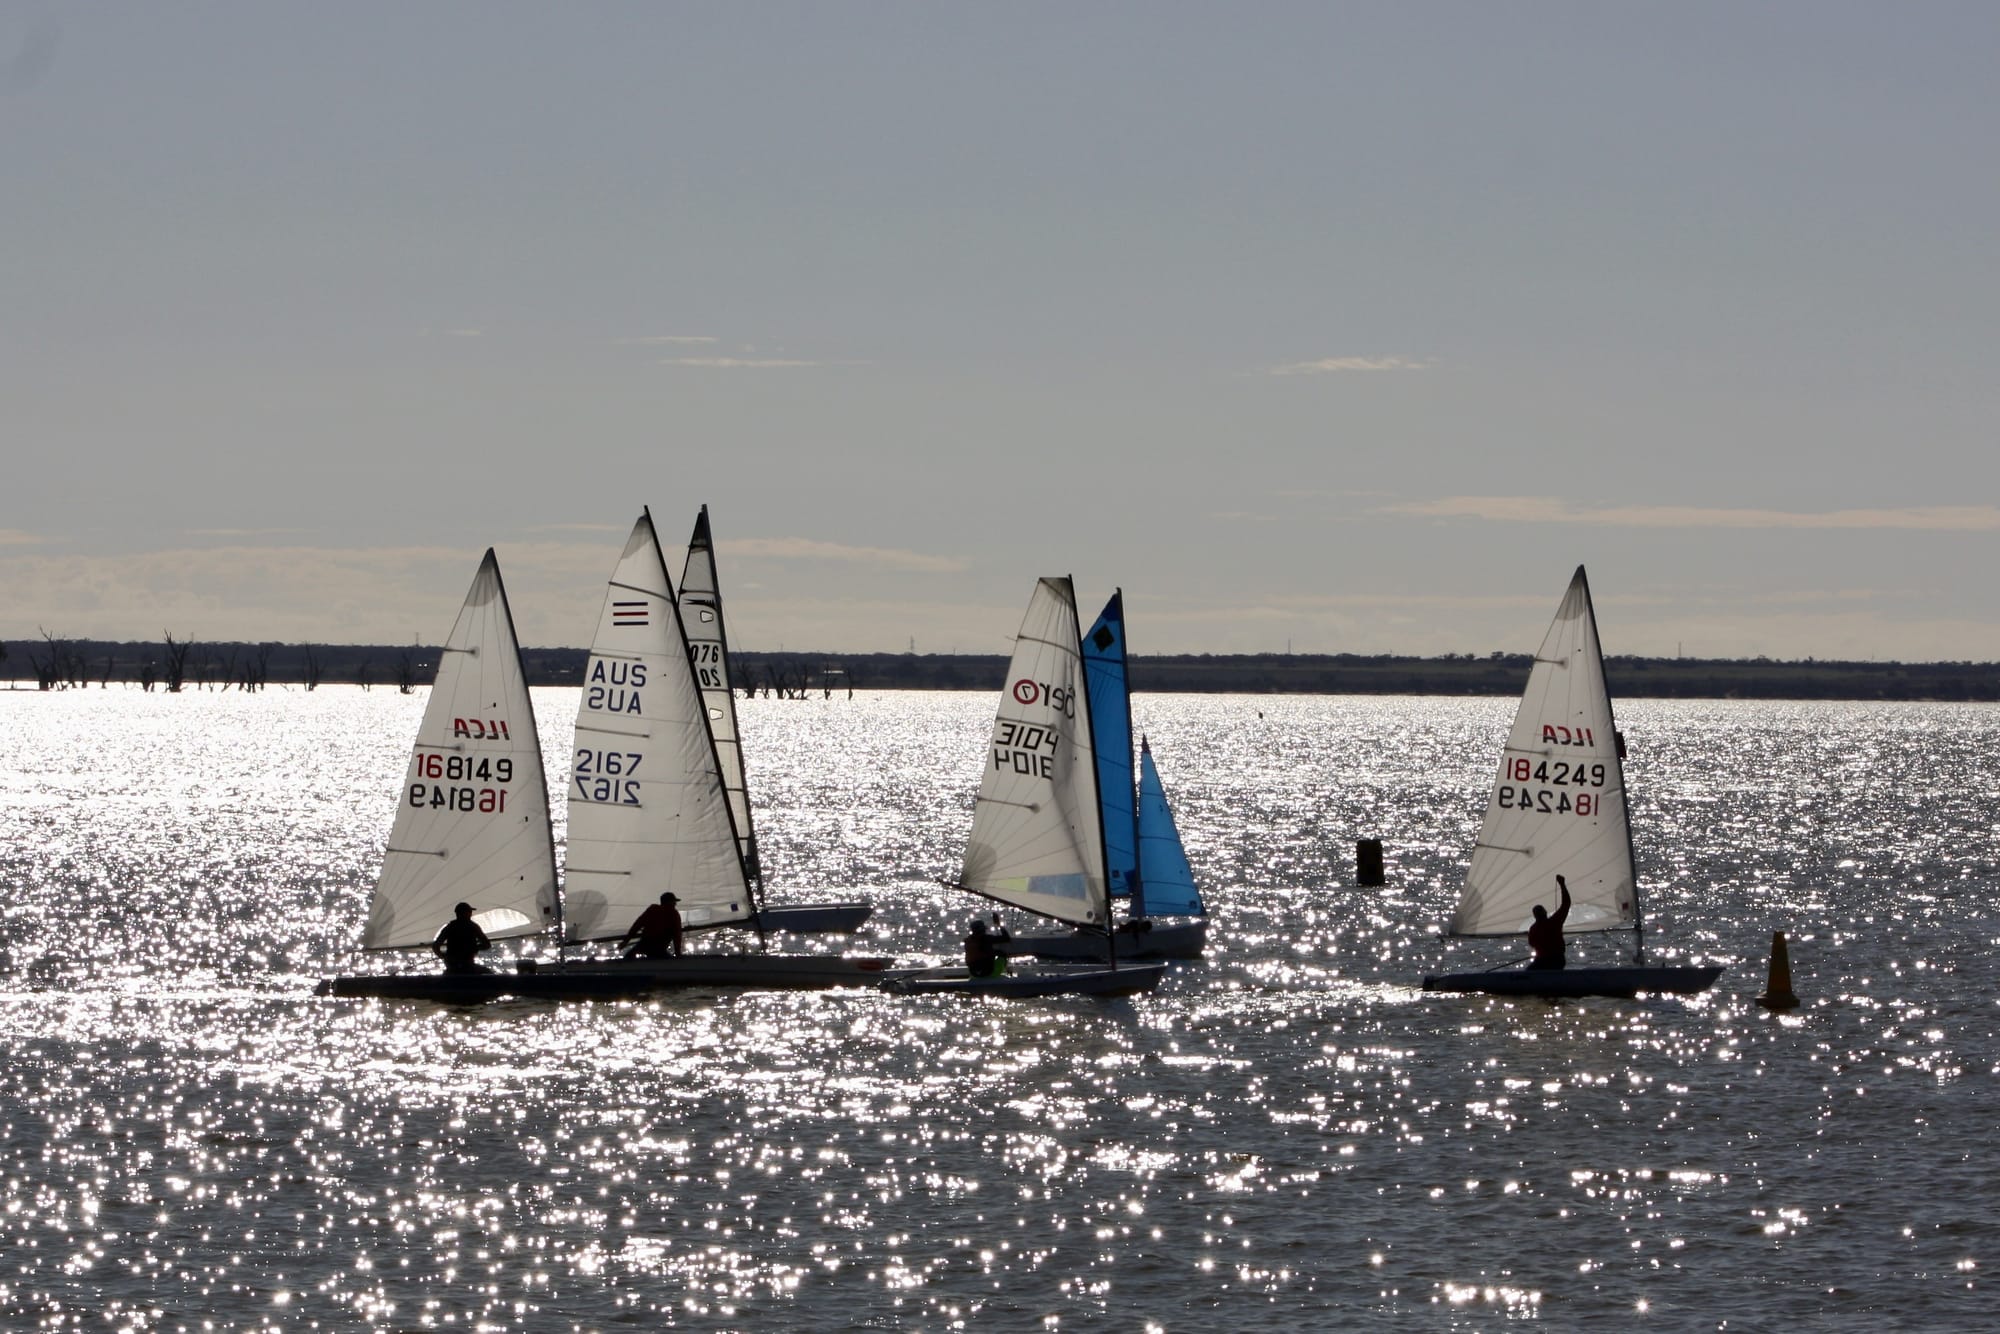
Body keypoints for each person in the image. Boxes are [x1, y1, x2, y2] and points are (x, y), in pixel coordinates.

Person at [1526, 875, 1573, 970]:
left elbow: (1532, 943)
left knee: (1529, 972)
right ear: (1545, 912)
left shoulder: (1534, 928)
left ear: (1534, 915)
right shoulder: (1554, 922)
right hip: (1553, 959)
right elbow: (1566, 904)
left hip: (1547, 960)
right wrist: (1562, 884)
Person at [433, 902, 493, 974]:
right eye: (469, 911)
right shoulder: (473, 927)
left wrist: (443, 956)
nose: (471, 913)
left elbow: (435, 946)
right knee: (488, 973)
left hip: (452, 966)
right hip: (468, 965)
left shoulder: (450, 927)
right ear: (465, 913)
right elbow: (487, 945)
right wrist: (474, 948)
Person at [622, 892, 684, 959]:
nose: (675, 904)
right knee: (665, 960)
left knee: (627, 958)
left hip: (644, 944)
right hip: (659, 947)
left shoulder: (652, 909)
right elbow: (677, 935)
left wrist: (626, 941)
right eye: (674, 902)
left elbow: (637, 925)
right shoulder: (674, 914)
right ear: (669, 902)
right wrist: (678, 953)